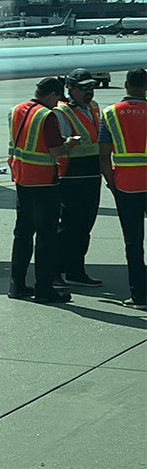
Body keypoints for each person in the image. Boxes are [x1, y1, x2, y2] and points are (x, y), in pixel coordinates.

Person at [7, 77, 81, 303]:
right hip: (43, 183)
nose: (58, 104)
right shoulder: (47, 116)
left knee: (22, 234)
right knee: (47, 238)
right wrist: (70, 143)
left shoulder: (17, 109)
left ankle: (17, 285)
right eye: (57, 99)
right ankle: (44, 289)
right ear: (52, 95)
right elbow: (56, 150)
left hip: (22, 179)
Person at [98, 67, 147, 311]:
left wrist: (111, 182)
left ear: (126, 85)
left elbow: (104, 155)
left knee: (133, 242)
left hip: (126, 185)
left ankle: (140, 296)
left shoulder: (110, 113)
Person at [53, 68, 103, 287]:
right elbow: (59, 146)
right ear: (71, 89)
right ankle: (57, 271)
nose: (89, 92)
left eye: (91, 87)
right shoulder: (62, 112)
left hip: (92, 173)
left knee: (85, 225)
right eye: (84, 88)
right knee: (69, 226)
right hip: (71, 175)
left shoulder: (94, 107)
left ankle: (75, 270)